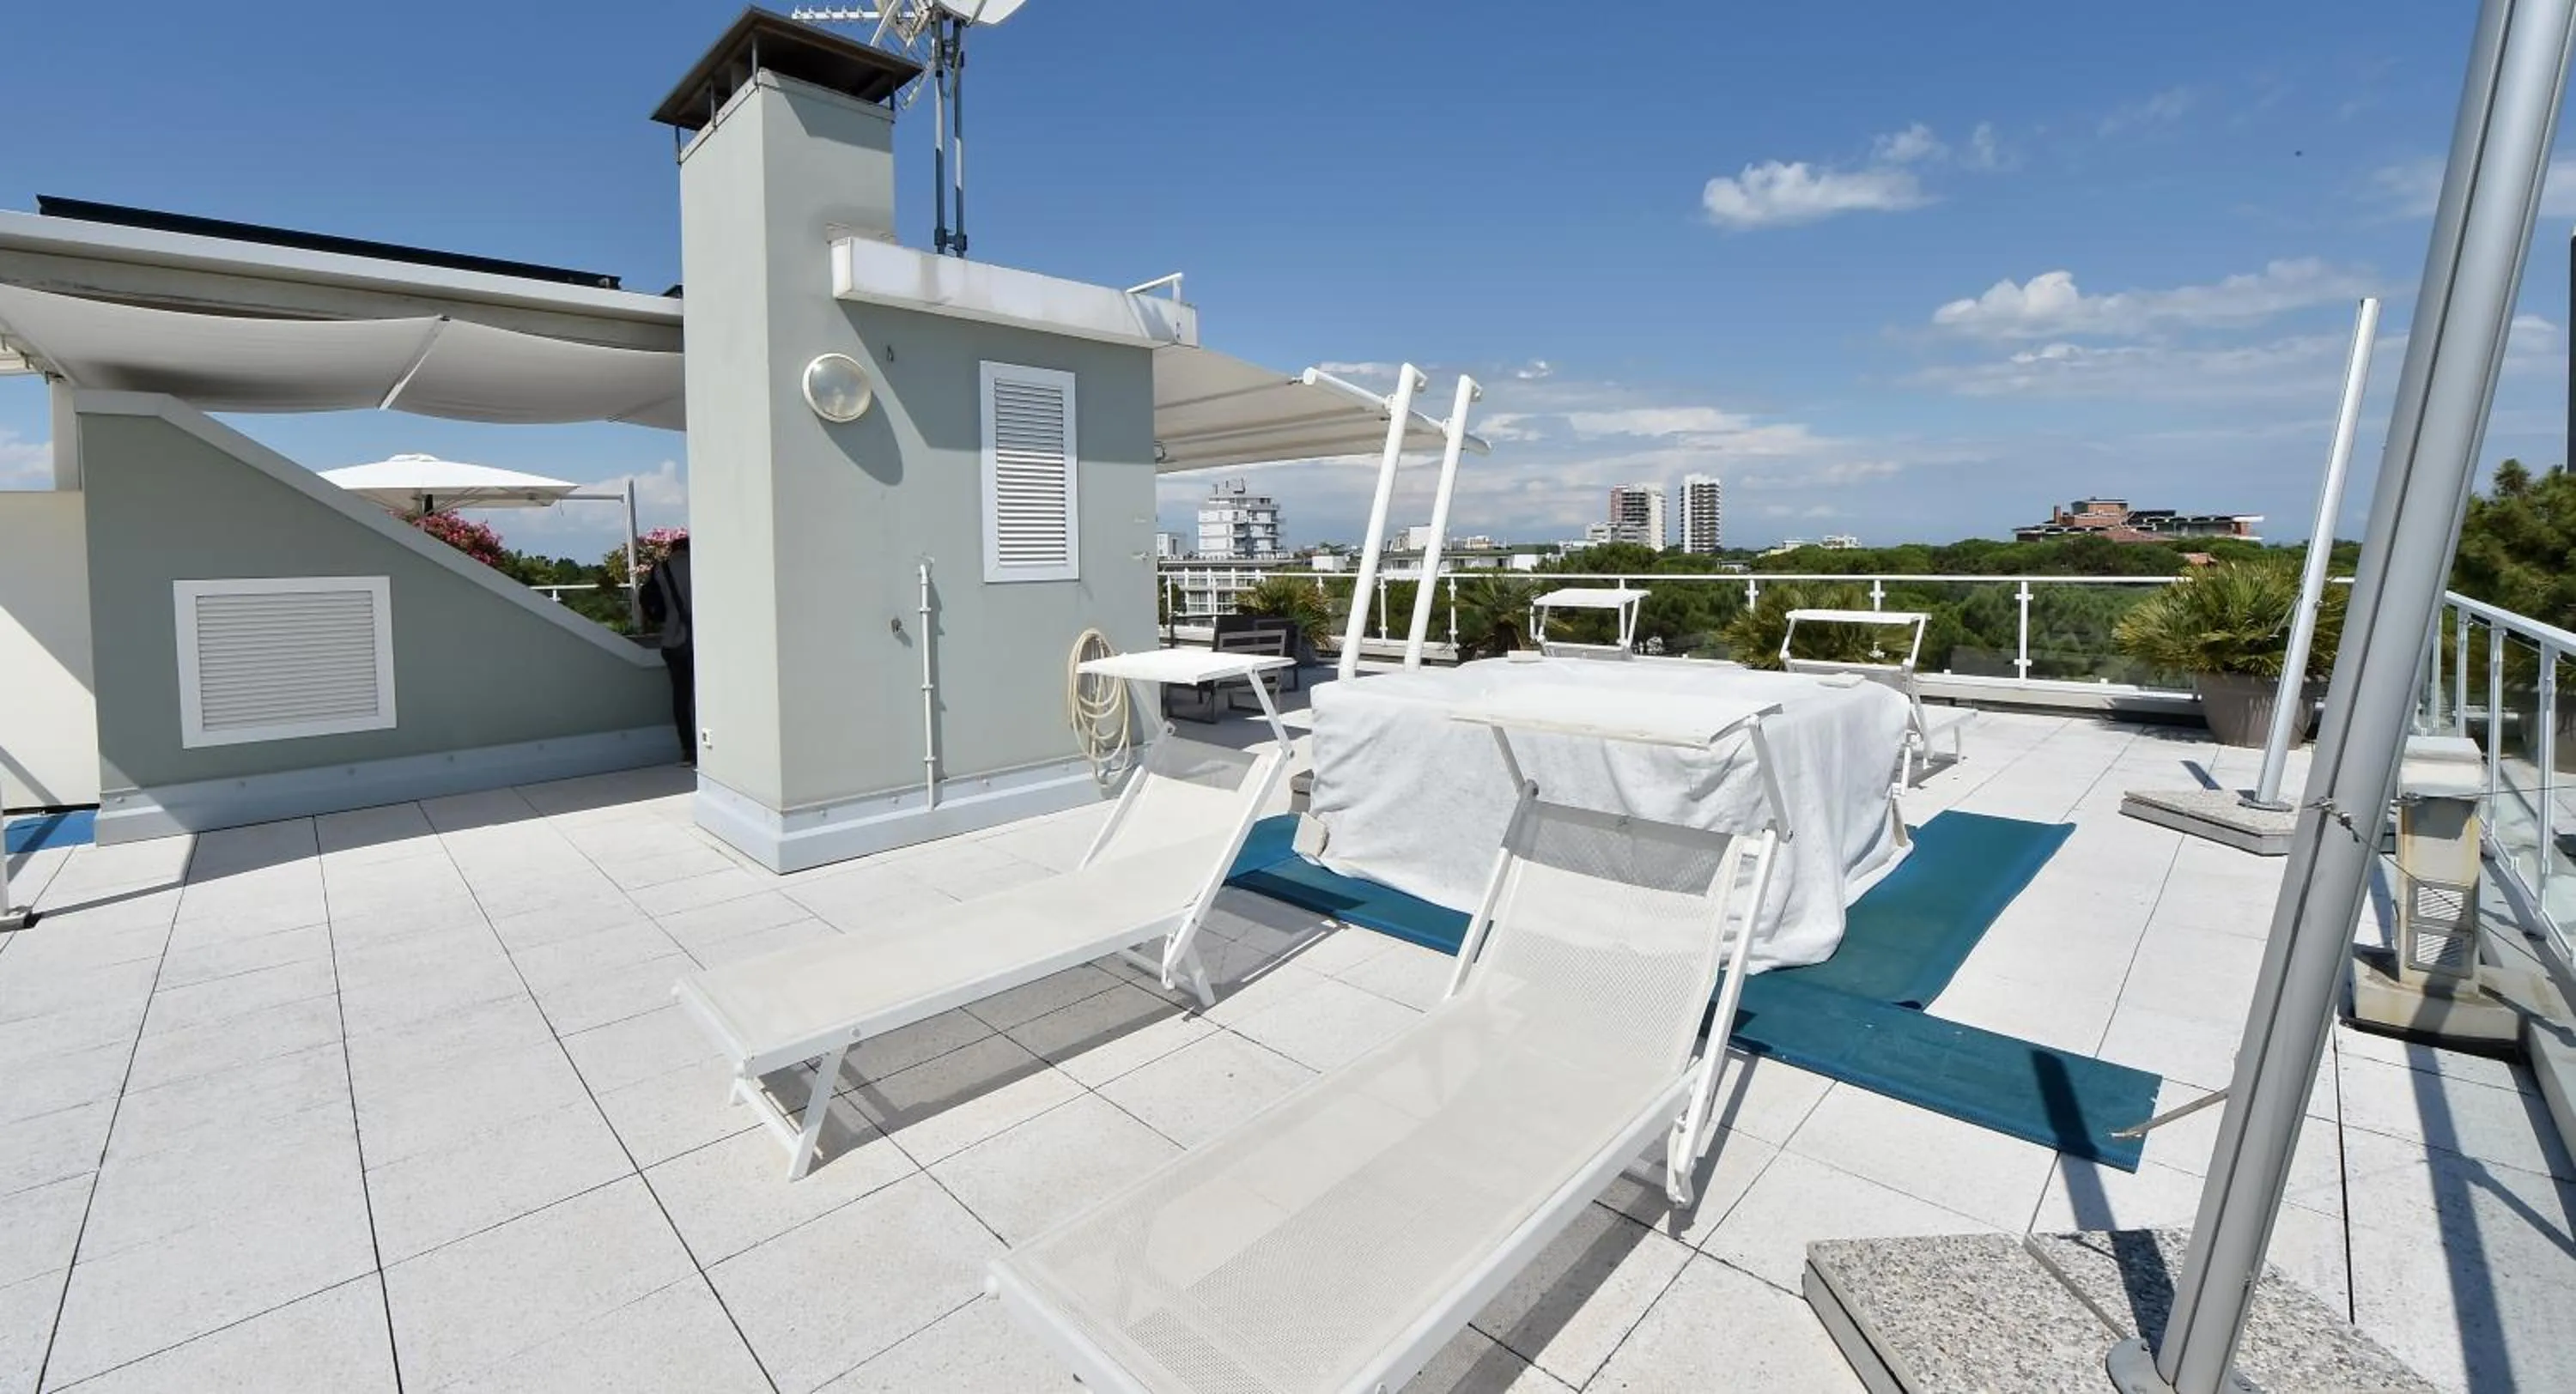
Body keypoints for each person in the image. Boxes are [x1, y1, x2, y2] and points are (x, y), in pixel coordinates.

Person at [639, 536, 696, 765]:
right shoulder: (700, 564)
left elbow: (651, 603)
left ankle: (688, 749)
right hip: (698, 638)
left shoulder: (661, 569)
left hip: (672, 640)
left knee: (680, 698)